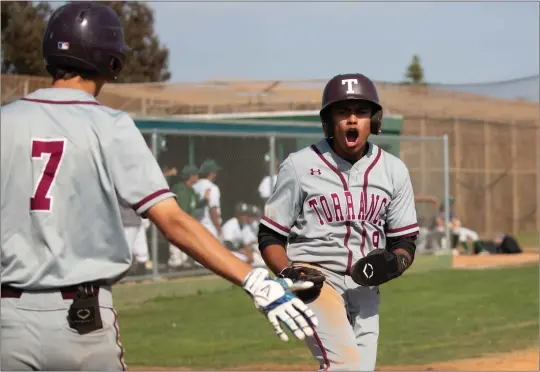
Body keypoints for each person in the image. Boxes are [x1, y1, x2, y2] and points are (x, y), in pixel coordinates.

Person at [0, 3, 317, 371]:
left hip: (8, 322)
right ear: (111, 59)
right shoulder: (110, 126)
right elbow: (172, 221)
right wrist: (251, 279)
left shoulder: (5, 122)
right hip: (81, 324)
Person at [258, 73, 420, 371]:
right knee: (344, 366)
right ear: (329, 120)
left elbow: (404, 241)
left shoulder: (393, 171)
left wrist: (395, 263)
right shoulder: (300, 165)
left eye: (361, 112)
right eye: (343, 112)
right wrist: (289, 271)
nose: (352, 120)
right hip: (316, 282)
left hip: (366, 283)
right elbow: (270, 236)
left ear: (373, 120)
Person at [168, 164, 208, 270]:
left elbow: (195, 205)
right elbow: (180, 208)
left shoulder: (191, 190)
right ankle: (174, 267)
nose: (197, 177)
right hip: (177, 222)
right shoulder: (181, 189)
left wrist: (205, 200)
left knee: (185, 249)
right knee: (176, 248)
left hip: (186, 223)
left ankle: (181, 267)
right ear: (190, 176)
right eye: (195, 175)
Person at [222, 202, 265, 267]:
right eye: (242, 214)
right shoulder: (229, 225)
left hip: (237, 250)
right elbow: (227, 245)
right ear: (237, 214)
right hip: (224, 251)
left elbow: (247, 244)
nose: (245, 216)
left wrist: (249, 255)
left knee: (255, 258)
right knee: (244, 258)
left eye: (246, 214)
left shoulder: (245, 226)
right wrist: (240, 251)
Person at [193, 159, 223, 240]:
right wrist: (219, 230)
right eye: (216, 172)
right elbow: (213, 210)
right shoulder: (212, 188)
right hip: (209, 227)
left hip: (195, 227)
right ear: (212, 173)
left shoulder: (194, 186)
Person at [120, 205, 150, 275]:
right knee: (126, 250)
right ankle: (124, 274)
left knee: (141, 249)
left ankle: (141, 273)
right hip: (126, 221)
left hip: (136, 220)